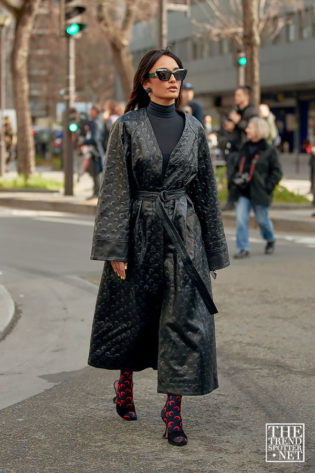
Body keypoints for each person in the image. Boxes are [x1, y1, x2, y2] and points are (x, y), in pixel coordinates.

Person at [87, 48, 230, 447]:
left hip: (185, 235)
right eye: (162, 73)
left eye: (177, 73)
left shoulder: (195, 128)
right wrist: (115, 247)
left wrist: (213, 252)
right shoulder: (128, 126)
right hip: (138, 231)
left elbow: (205, 193)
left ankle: (173, 411)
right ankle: (125, 382)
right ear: (146, 81)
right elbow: (114, 189)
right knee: (134, 313)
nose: (172, 79)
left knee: (183, 318)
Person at [231, 117, 283, 259]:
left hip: (260, 192)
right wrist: (235, 178)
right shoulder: (244, 147)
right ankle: (243, 248)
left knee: (262, 220)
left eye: (250, 127)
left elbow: (277, 172)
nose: (247, 130)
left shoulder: (269, 150)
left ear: (258, 130)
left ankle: (270, 239)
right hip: (244, 191)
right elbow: (237, 166)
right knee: (241, 219)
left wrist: (268, 187)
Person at [217, 114, 242, 211]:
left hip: (237, 159)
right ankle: (231, 202)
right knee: (231, 180)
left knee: (235, 180)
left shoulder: (238, 134)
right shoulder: (225, 134)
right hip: (229, 159)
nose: (226, 124)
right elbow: (221, 143)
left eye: (229, 121)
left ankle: (233, 201)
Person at [82, 105, 105, 199]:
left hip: (96, 151)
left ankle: (96, 193)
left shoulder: (95, 123)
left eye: (91, 110)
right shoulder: (100, 121)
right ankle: (97, 193)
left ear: (95, 111)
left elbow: (95, 139)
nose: (90, 112)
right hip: (99, 150)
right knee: (96, 172)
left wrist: (83, 142)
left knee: (95, 172)